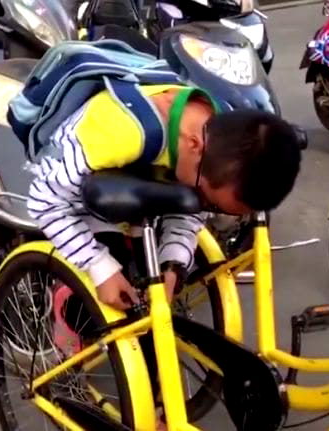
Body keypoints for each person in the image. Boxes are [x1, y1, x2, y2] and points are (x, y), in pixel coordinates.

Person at [26, 83, 302, 310]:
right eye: (209, 201)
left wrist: (174, 262)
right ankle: (61, 319)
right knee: (101, 283)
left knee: (148, 279)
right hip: (76, 189)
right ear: (195, 146)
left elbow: (192, 208)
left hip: (141, 174)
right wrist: (99, 267)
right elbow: (44, 203)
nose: (207, 210)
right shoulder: (114, 133)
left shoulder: (222, 131)